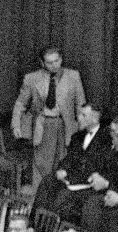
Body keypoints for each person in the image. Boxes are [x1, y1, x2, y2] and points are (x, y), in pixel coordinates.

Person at [11, 46, 85, 186]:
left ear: (61, 59)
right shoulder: (32, 78)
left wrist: (83, 129)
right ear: (42, 63)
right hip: (43, 126)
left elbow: (81, 105)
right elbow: (20, 104)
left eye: (57, 61)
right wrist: (16, 124)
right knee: (41, 166)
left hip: (66, 126)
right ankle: (39, 200)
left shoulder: (73, 76)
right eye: (49, 62)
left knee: (64, 165)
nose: (54, 65)